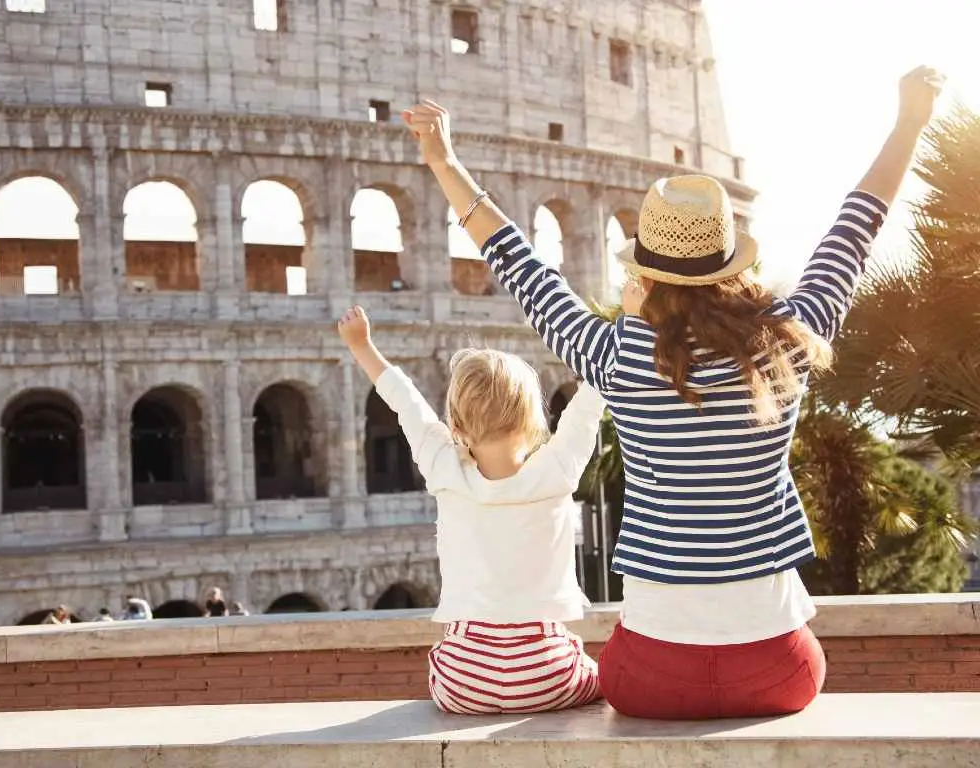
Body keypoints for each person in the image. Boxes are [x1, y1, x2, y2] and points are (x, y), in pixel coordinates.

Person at [402, 65, 944, 720]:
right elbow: (854, 229)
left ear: (648, 273)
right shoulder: (786, 344)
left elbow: (518, 263)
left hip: (652, 679)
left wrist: (444, 160)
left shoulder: (615, 357)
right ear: (728, 263)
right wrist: (910, 121)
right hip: (780, 671)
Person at [337, 306, 604, 715]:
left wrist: (362, 345)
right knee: (602, 672)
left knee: (445, 668)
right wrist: (635, 322)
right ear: (533, 420)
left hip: (463, 679)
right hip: (545, 672)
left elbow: (405, 401)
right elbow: (588, 405)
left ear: (456, 425)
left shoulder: (443, 467)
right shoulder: (556, 471)